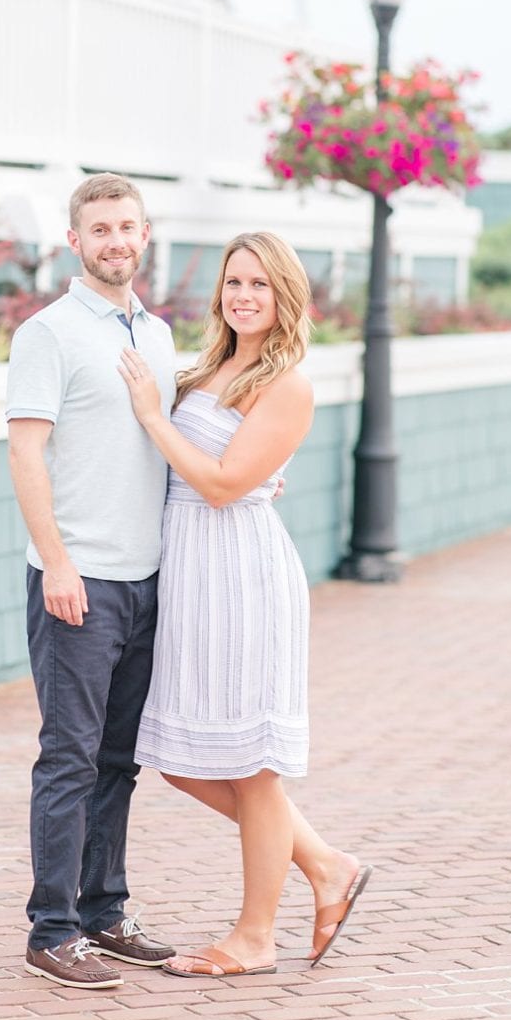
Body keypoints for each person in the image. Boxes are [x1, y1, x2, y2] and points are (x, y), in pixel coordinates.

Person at [117, 230, 370, 978]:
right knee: (184, 761)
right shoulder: (211, 367)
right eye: (234, 281)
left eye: (260, 283)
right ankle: (325, 864)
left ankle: (257, 934)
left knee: (252, 766)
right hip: (193, 574)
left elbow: (224, 485)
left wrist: (152, 415)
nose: (244, 295)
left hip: (242, 578)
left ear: (284, 294)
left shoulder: (286, 380)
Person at [7, 174, 180, 988]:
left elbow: (166, 445)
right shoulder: (49, 333)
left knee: (118, 760)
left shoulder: (159, 333)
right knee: (69, 758)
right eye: (100, 228)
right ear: (75, 241)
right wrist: (58, 561)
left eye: (127, 226)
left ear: (146, 235)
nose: (116, 240)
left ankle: (104, 913)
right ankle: (51, 929)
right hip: (80, 583)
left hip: (146, 580)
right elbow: (25, 452)